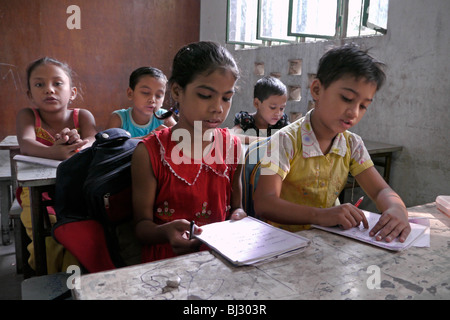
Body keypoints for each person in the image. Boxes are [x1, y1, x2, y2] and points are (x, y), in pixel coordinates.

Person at [254, 44, 411, 244]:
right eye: (347, 99)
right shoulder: (285, 141)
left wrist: (397, 209)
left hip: (327, 244)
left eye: (363, 106)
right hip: (282, 244)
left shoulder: (352, 144)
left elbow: (381, 191)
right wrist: (322, 215)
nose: (354, 112)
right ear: (317, 90)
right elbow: (264, 203)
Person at [131, 41, 247, 263]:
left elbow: (237, 207)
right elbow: (141, 227)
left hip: (219, 260)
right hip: (166, 263)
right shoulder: (150, 153)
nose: (218, 108)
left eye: (227, 98)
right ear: (177, 91)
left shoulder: (232, 147)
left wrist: (238, 216)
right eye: (205, 95)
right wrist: (165, 231)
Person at [15, 57, 97, 273]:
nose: (49, 90)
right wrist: (54, 152)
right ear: (30, 95)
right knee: (49, 234)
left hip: (77, 189)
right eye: (39, 85)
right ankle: (53, 277)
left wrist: (75, 143)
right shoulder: (28, 116)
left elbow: (92, 140)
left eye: (57, 83)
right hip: (35, 192)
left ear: (72, 92)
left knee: (79, 231)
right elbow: (26, 144)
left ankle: (77, 276)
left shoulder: (82, 116)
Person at [106, 67, 176, 138]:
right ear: (130, 93)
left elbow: (182, 139)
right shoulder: (118, 118)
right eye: (145, 92)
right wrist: (146, 139)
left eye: (158, 95)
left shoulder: (164, 117)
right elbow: (107, 146)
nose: (152, 100)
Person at [231, 76, 289, 144]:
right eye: (273, 107)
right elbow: (233, 136)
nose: (278, 113)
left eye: (282, 108)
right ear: (257, 103)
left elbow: (293, 136)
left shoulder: (281, 121)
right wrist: (268, 140)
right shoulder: (246, 120)